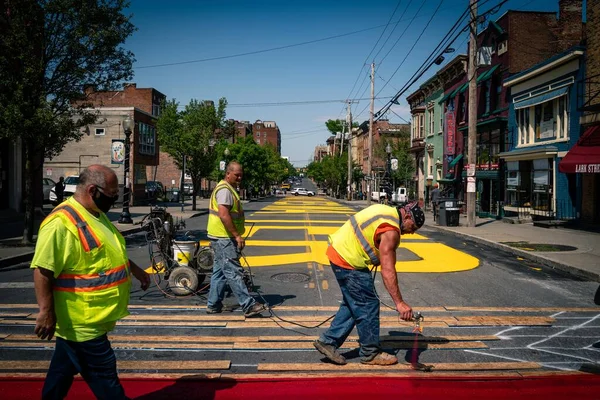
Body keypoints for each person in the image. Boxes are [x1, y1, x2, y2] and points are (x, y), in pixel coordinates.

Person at [32, 165, 150, 400]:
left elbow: (107, 252)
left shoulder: (97, 214)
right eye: (112, 195)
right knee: (107, 382)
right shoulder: (61, 223)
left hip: (89, 318)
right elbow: (43, 269)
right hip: (83, 322)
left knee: (60, 374)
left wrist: (135, 269)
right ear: (93, 190)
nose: (115, 200)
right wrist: (45, 311)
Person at [313, 202, 425, 366]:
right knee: (368, 304)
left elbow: (368, 234)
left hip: (339, 251)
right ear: (407, 216)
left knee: (355, 303)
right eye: (413, 226)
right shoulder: (391, 230)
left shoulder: (386, 211)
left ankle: (328, 341)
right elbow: (388, 270)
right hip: (348, 259)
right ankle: (370, 353)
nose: (412, 232)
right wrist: (399, 303)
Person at [206, 161, 266, 317]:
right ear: (228, 174)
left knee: (220, 271)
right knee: (233, 271)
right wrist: (237, 235)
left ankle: (213, 304)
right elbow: (224, 215)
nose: (239, 178)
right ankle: (248, 305)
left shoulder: (228, 189)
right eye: (236, 175)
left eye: (241, 175)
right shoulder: (225, 190)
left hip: (221, 236)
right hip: (223, 237)